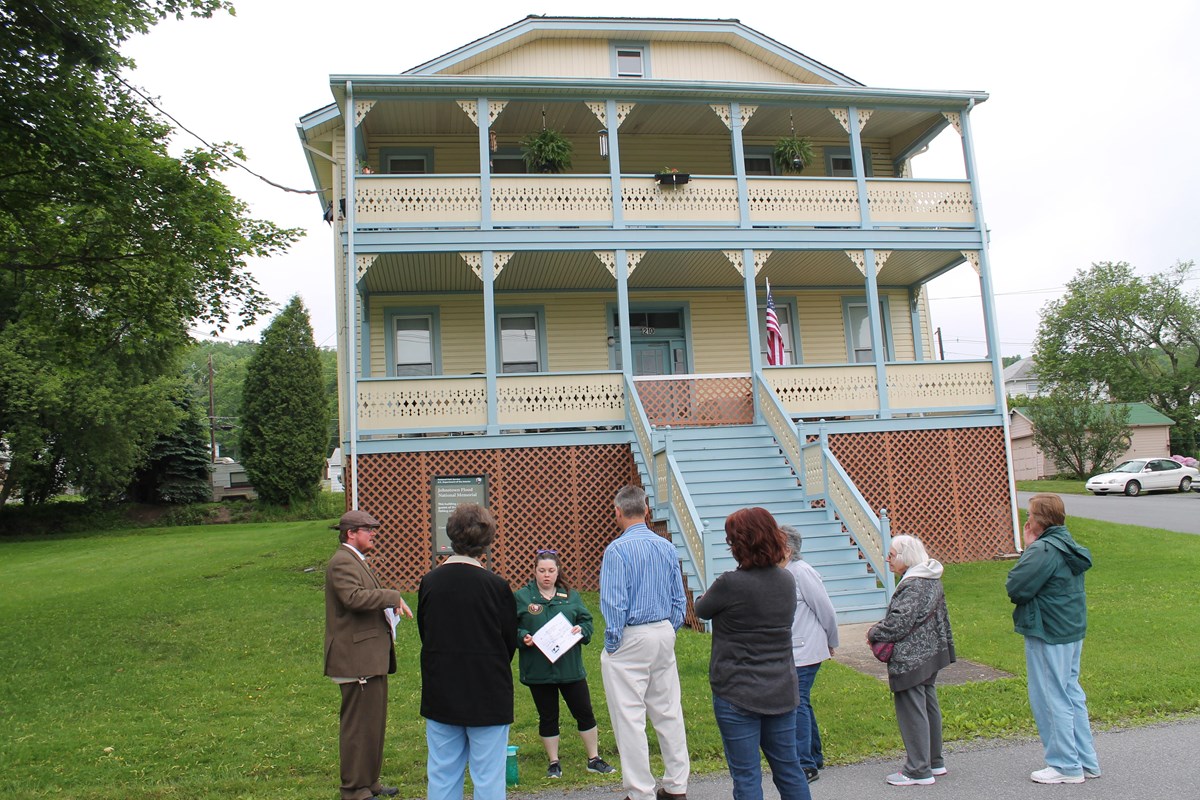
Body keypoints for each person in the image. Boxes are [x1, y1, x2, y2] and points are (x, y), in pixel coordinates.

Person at [695, 508, 811, 800]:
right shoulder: (787, 580)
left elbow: (701, 609)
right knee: (789, 770)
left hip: (737, 691)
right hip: (781, 689)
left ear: (739, 544)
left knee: (747, 776)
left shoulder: (729, 584)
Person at [418, 504, 518, 800]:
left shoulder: (430, 582)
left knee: (443, 774)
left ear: (451, 536)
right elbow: (508, 641)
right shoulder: (497, 587)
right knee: (488, 778)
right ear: (487, 542)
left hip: (442, 690)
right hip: (488, 692)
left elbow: (426, 632)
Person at [599, 485, 690, 800]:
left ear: (618, 512)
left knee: (630, 716)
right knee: (668, 711)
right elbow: (679, 599)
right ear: (646, 510)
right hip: (663, 630)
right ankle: (676, 785)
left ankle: (640, 791)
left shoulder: (617, 550)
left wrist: (614, 641)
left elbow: (614, 603)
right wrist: (670, 628)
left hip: (632, 633)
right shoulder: (666, 547)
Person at [1006, 493, 1100, 785]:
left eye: (1030, 514)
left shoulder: (1043, 550)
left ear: (1041, 519)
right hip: (1070, 629)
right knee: (1070, 693)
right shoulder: (1067, 544)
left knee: (1050, 696)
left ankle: (1065, 765)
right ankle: (1085, 761)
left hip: (1048, 630)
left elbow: (1016, 587)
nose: (1027, 519)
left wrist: (1029, 548)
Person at [324, 509, 413, 800]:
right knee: (358, 728)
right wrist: (391, 595)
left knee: (373, 725)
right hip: (355, 658)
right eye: (368, 529)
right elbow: (352, 598)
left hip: (370, 658)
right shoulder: (341, 561)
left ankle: (369, 783)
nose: (373, 534)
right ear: (351, 533)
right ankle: (353, 789)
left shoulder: (354, 559)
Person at [514, 549, 616, 779]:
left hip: (570, 667)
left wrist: (582, 630)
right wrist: (522, 636)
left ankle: (594, 758)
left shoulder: (570, 595)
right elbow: (510, 627)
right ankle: (554, 762)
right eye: (542, 570)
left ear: (558, 571)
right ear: (534, 571)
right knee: (548, 716)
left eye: (551, 570)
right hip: (539, 669)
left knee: (584, 711)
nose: (546, 575)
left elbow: (586, 621)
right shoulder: (522, 597)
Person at [867, 534, 955, 786]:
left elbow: (898, 623)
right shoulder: (930, 577)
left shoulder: (913, 584)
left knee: (913, 709)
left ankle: (918, 769)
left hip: (912, 657)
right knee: (928, 704)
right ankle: (934, 761)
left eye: (892, 555)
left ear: (906, 557)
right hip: (931, 652)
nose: (888, 559)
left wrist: (873, 632)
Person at [781, 525, 839, 784]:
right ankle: (814, 756)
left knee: (798, 702)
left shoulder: (802, 572)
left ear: (787, 550)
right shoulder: (783, 572)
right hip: (794, 649)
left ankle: (806, 764)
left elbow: (826, 610)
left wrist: (831, 640)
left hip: (806, 649)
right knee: (801, 701)